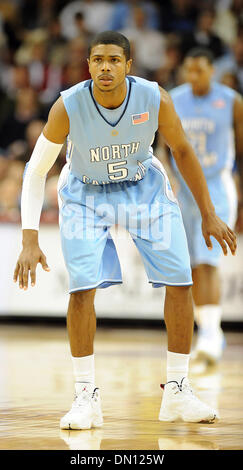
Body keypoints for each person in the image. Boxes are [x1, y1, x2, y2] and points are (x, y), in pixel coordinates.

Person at [13, 31, 237, 429]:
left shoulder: (155, 98)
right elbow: (35, 169)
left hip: (145, 189)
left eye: (114, 60)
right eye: (98, 60)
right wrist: (29, 237)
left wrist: (208, 212)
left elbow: (183, 151)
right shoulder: (68, 105)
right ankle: (86, 396)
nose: (105, 67)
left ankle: (178, 390)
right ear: (88, 65)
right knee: (81, 289)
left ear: (128, 65)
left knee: (181, 282)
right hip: (86, 194)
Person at [160, 47, 243, 365]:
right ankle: (210, 331)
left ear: (213, 71)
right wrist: (169, 178)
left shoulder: (232, 101)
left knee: (208, 262)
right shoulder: (172, 98)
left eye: (200, 70)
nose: (193, 76)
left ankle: (210, 335)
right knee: (191, 265)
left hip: (218, 188)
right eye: (189, 70)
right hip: (183, 192)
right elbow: (162, 147)